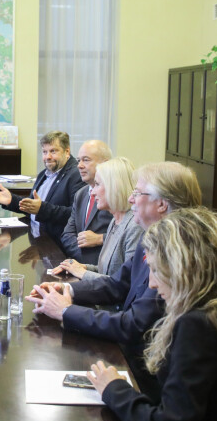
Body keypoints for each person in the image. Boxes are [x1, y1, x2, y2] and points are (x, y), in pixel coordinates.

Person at [25, 161, 201, 397]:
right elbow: (117, 284)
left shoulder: (176, 254)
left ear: (161, 204)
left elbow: (133, 325)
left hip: (151, 376)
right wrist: (66, 289)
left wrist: (66, 311)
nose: (130, 200)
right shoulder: (154, 236)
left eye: (137, 193)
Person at [87, 207, 217, 421]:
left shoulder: (196, 325)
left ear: (182, 268)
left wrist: (113, 389)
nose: (153, 283)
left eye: (156, 270)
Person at [0, 131, 84, 242]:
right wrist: (12, 200)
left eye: (53, 151)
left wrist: (41, 208)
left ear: (67, 152)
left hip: (55, 243)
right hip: (36, 235)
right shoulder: (44, 174)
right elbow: (33, 206)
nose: (48, 157)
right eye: (44, 152)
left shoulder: (77, 175)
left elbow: (76, 214)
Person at [54, 157, 143, 281]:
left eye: (97, 184)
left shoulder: (134, 226)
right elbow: (107, 270)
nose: (92, 192)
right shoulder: (115, 221)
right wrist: (82, 267)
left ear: (114, 187)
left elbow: (124, 282)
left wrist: (82, 273)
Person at [59, 140, 113, 263]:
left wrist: (101, 238)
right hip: (78, 265)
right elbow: (67, 235)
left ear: (105, 164)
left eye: (86, 160)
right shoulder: (81, 194)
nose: (79, 165)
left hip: (105, 267)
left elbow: (127, 234)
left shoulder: (116, 195)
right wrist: (82, 258)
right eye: (78, 160)